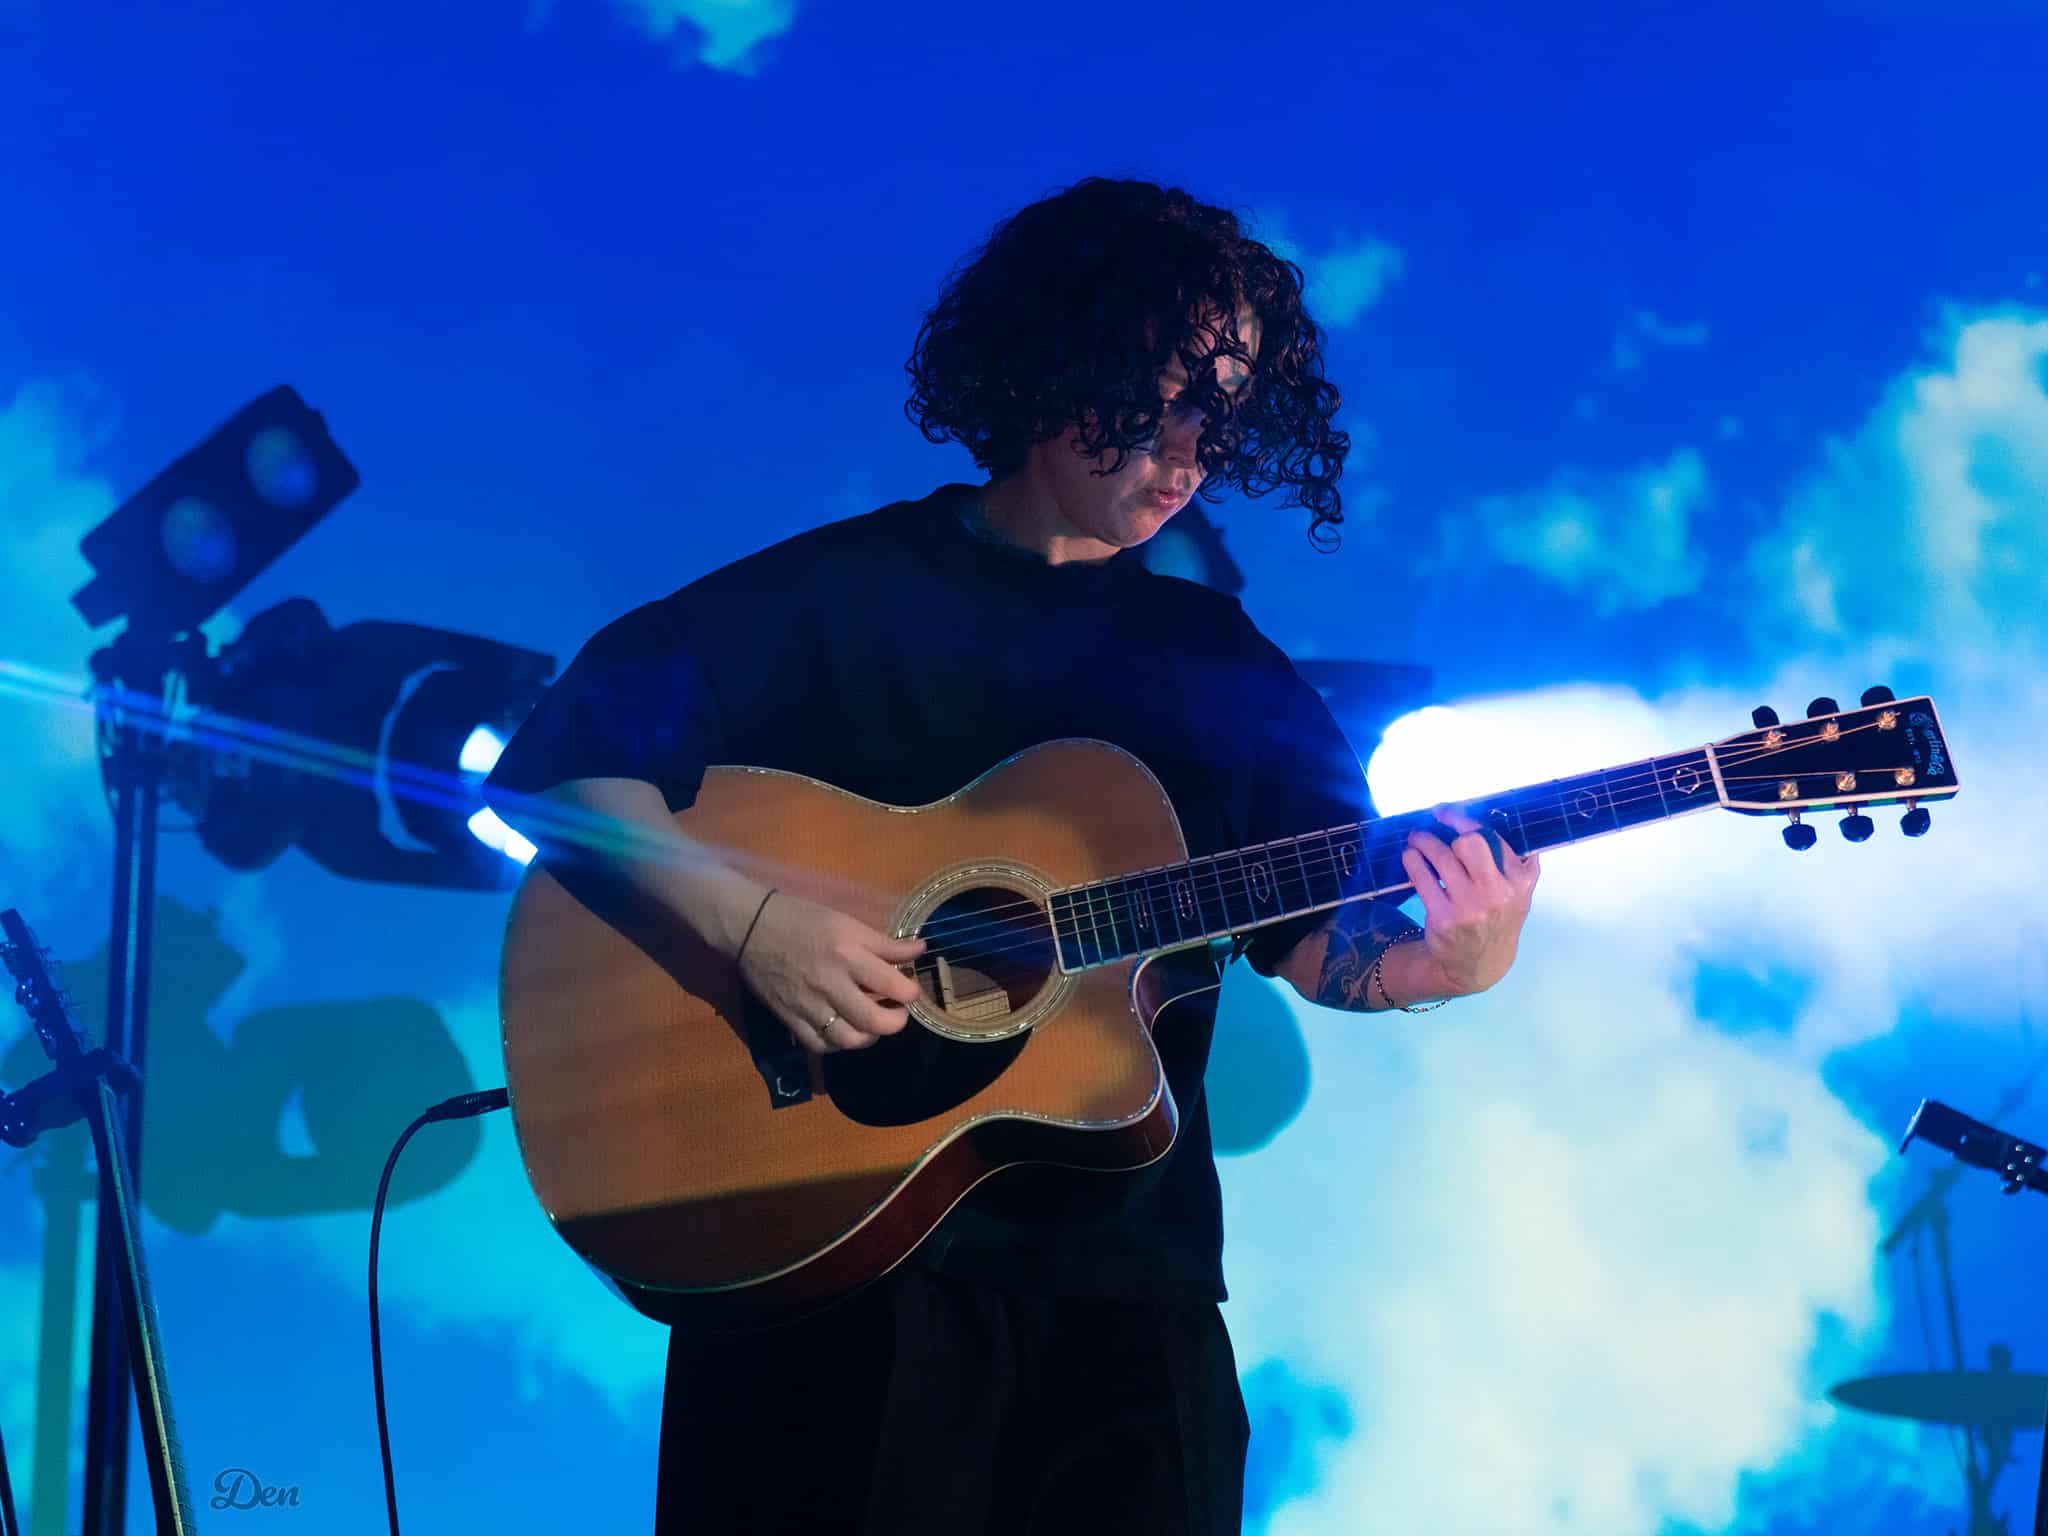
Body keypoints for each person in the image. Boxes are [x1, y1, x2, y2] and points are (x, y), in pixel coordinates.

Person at [481, 175, 1540, 1535]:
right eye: (1160, 400)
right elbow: (561, 768)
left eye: (1218, 415)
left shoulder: (1222, 667)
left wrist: (1451, 964)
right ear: (1055, 364)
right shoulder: (842, 593)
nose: (1190, 452)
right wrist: (753, 928)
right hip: (818, 1286)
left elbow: (1320, 944)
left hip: (1129, 1323)